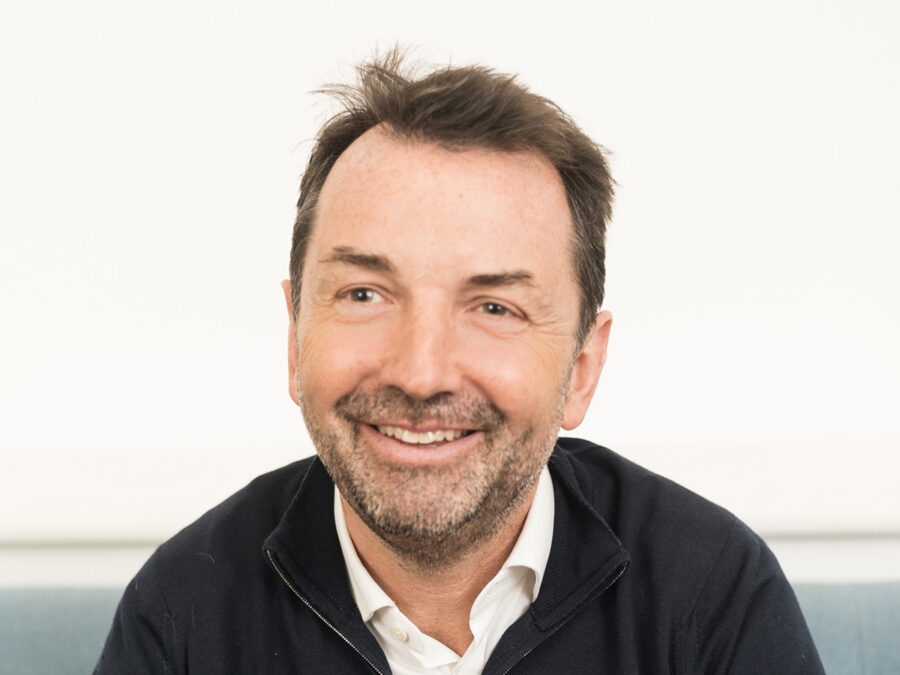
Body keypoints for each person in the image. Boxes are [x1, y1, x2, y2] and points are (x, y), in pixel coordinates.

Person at [96, 51, 824, 674]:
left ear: (582, 368)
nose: (421, 374)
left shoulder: (712, 595)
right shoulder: (183, 611)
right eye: (364, 294)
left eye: (494, 308)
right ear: (295, 338)